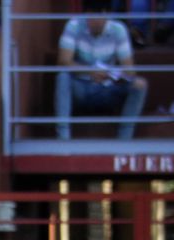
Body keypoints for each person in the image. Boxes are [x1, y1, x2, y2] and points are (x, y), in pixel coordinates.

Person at [55, 2, 148, 142]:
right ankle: (63, 140)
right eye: (92, 16)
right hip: (81, 89)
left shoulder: (118, 29)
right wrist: (89, 72)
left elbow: (130, 71)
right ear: (85, 15)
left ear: (108, 15)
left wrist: (111, 74)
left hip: (108, 89)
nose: (96, 21)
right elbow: (63, 61)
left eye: (101, 15)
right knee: (62, 77)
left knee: (140, 84)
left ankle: (124, 142)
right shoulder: (73, 26)